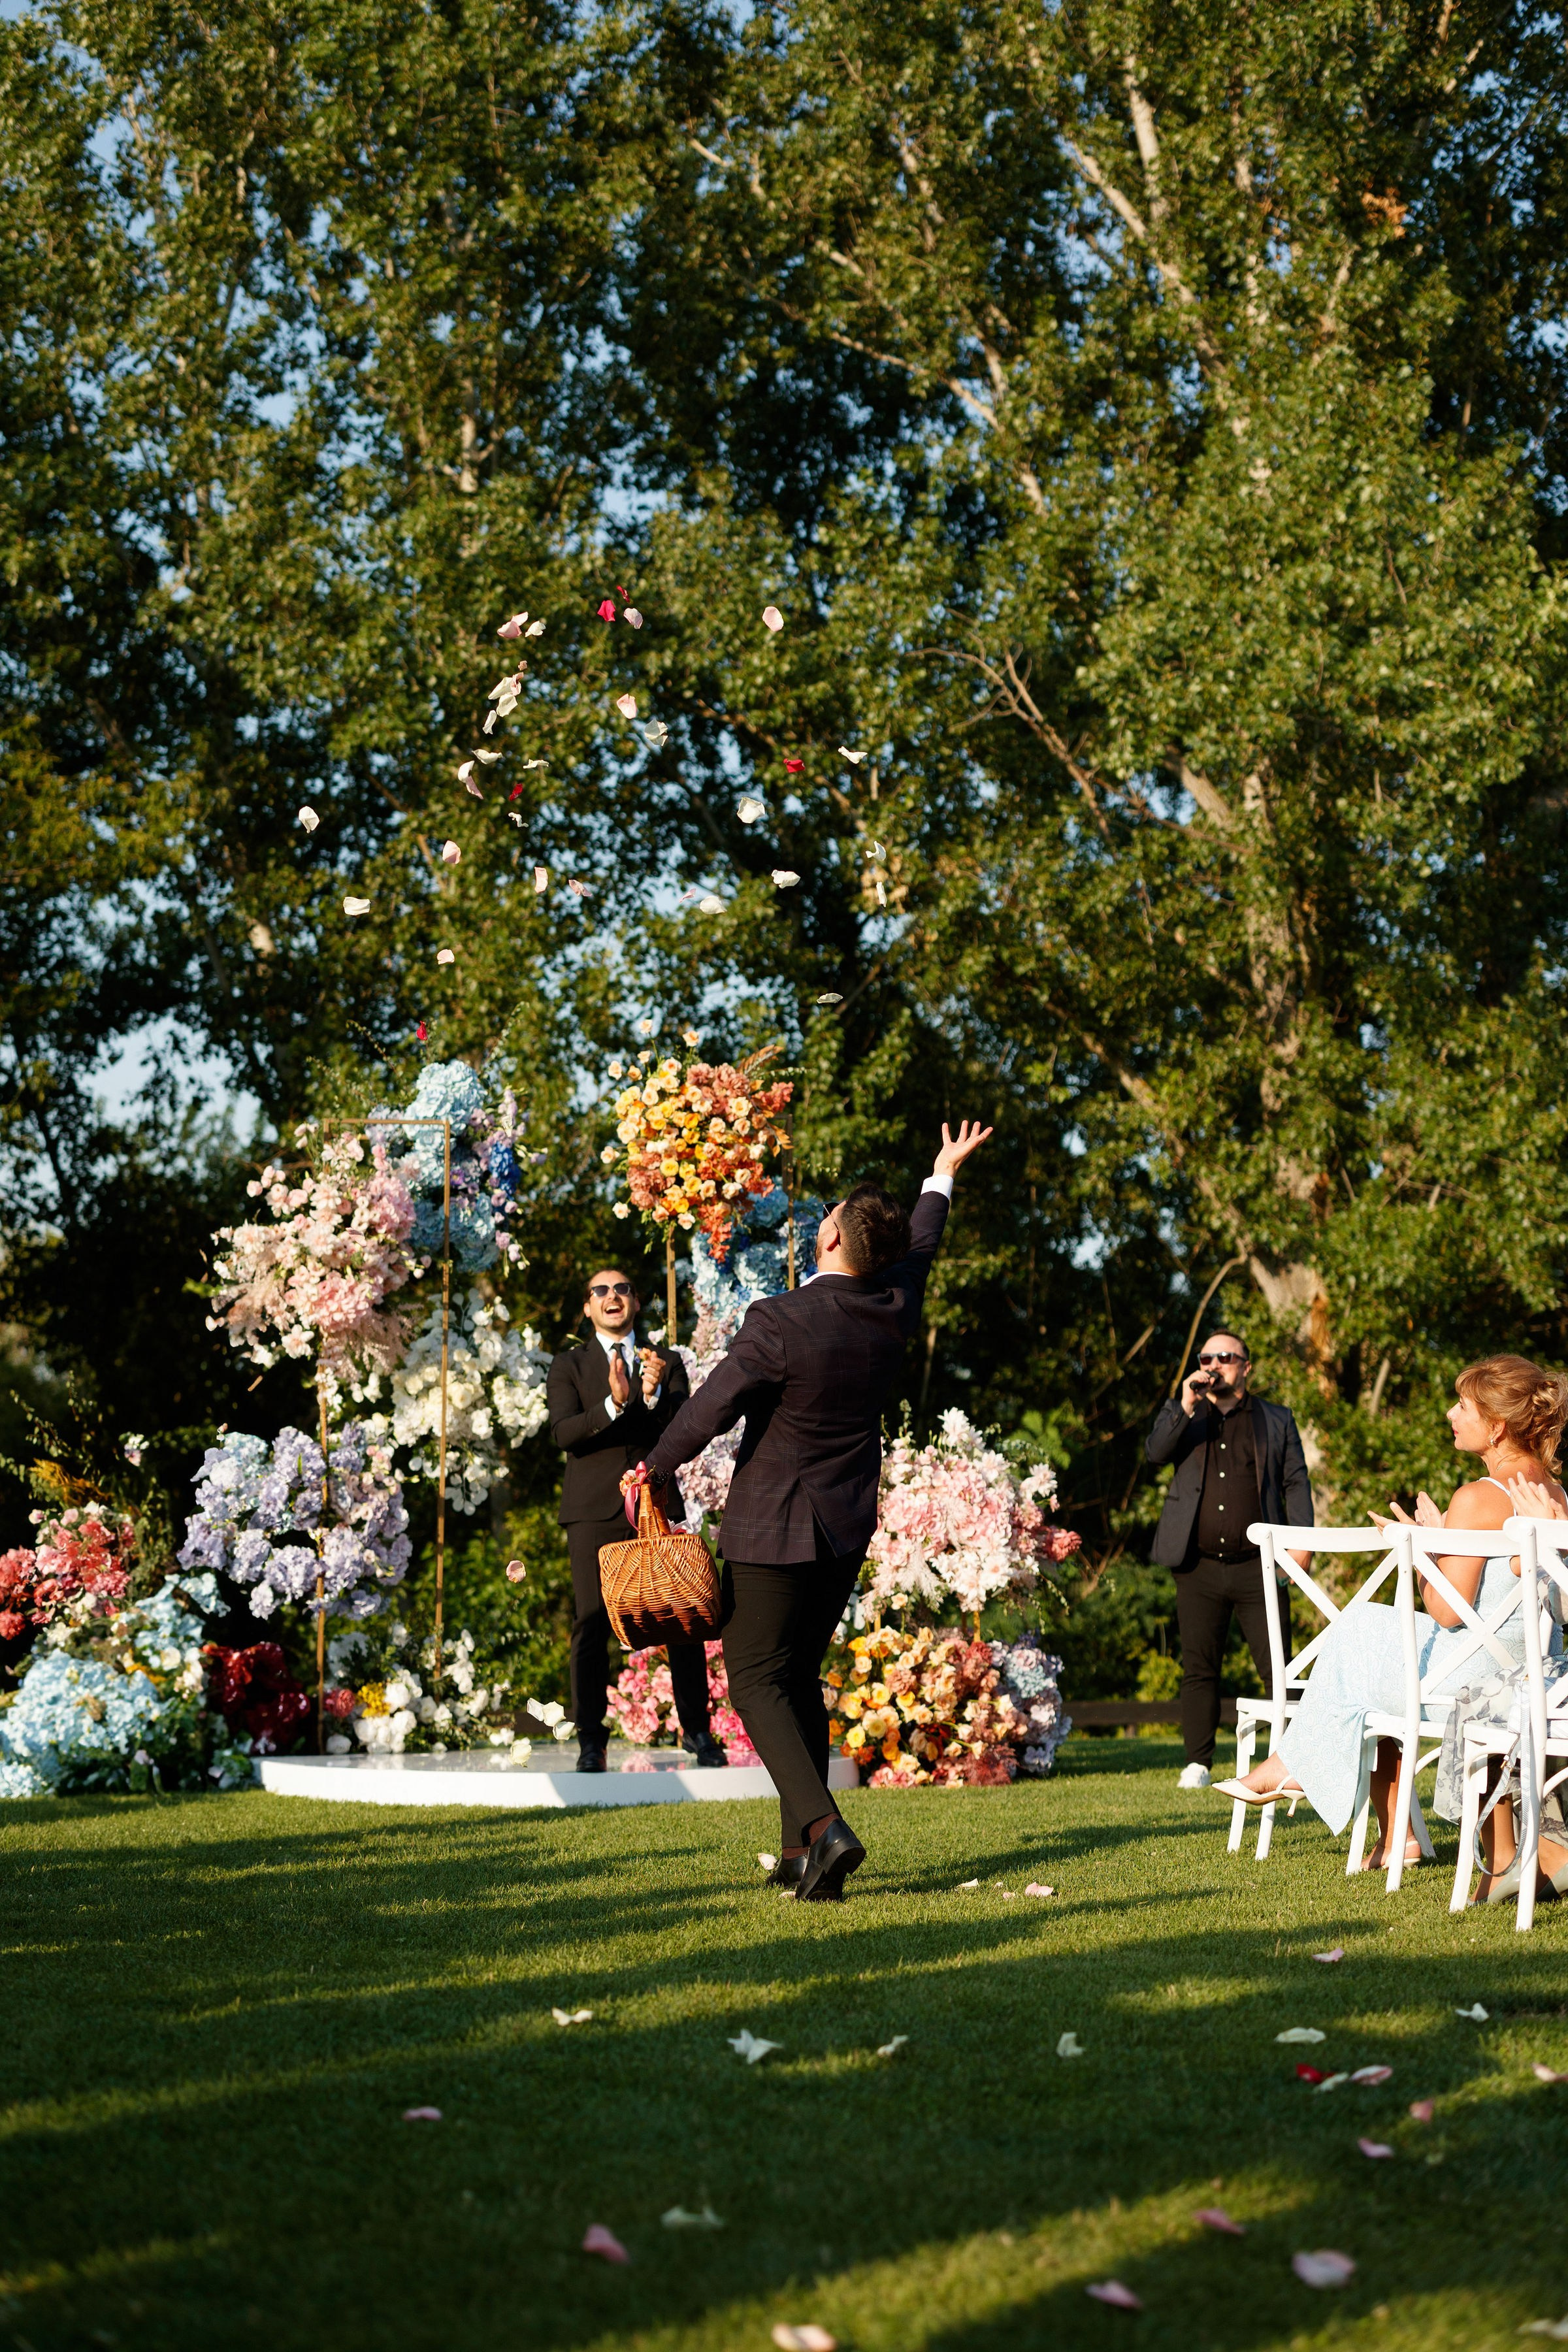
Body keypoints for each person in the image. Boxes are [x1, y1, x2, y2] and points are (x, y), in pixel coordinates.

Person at [622, 1120, 993, 1902]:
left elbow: (712, 1407)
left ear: (828, 1239)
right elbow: (923, 1243)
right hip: (845, 1526)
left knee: (756, 1681)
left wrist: (653, 1465)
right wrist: (942, 1177)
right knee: (795, 1676)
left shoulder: (781, 1320)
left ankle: (825, 1829)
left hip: (774, 1528)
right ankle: (800, 1856)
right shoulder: (894, 1301)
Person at [1217, 1354, 1568, 1882]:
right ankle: (1368, 1816)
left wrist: (1424, 1553)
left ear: (1497, 1427)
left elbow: (1446, 1612)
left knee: (1361, 1635)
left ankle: (1299, 1767)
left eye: (1463, 1406)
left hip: (1475, 1676)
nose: (1451, 1414)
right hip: (1533, 1668)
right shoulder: (1555, 1493)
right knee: (1369, 1641)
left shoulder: (1477, 1498)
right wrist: (1439, 1541)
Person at [546, 1267, 724, 1773]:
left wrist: (650, 1396)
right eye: (601, 1290)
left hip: (654, 1504)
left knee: (681, 1614)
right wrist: (614, 1403)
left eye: (622, 1288)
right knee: (590, 1622)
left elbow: (687, 1429)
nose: (612, 1296)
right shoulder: (568, 1364)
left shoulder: (666, 1362)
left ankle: (696, 1731)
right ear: (588, 1306)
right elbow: (563, 1433)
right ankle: (591, 1740)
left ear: (636, 1301)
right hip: (592, 1512)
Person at [1146, 1330, 1314, 1789]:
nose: (1214, 1365)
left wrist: (1302, 1546)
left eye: (1225, 1357)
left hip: (1259, 1566)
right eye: (1207, 1358)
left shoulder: (1275, 1419)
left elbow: (1296, 1482)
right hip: (1196, 1565)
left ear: (1246, 1367)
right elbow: (1155, 1453)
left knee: (1278, 1667)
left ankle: (1298, 1759)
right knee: (1199, 1666)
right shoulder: (1184, 1412)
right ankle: (1197, 1763)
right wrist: (1184, 1404)